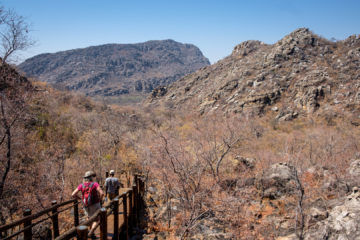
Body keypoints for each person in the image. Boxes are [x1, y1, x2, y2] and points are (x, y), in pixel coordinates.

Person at [72, 171, 104, 238]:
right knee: (98, 219)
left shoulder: (81, 185)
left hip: (86, 205)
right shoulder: (95, 184)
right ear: (91, 177)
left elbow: (73, 194)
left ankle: (89, 233)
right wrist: (100, 199)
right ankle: (91, 232)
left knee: (89, 218)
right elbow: (102, 193)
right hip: (95, 204)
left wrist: (80, 199)